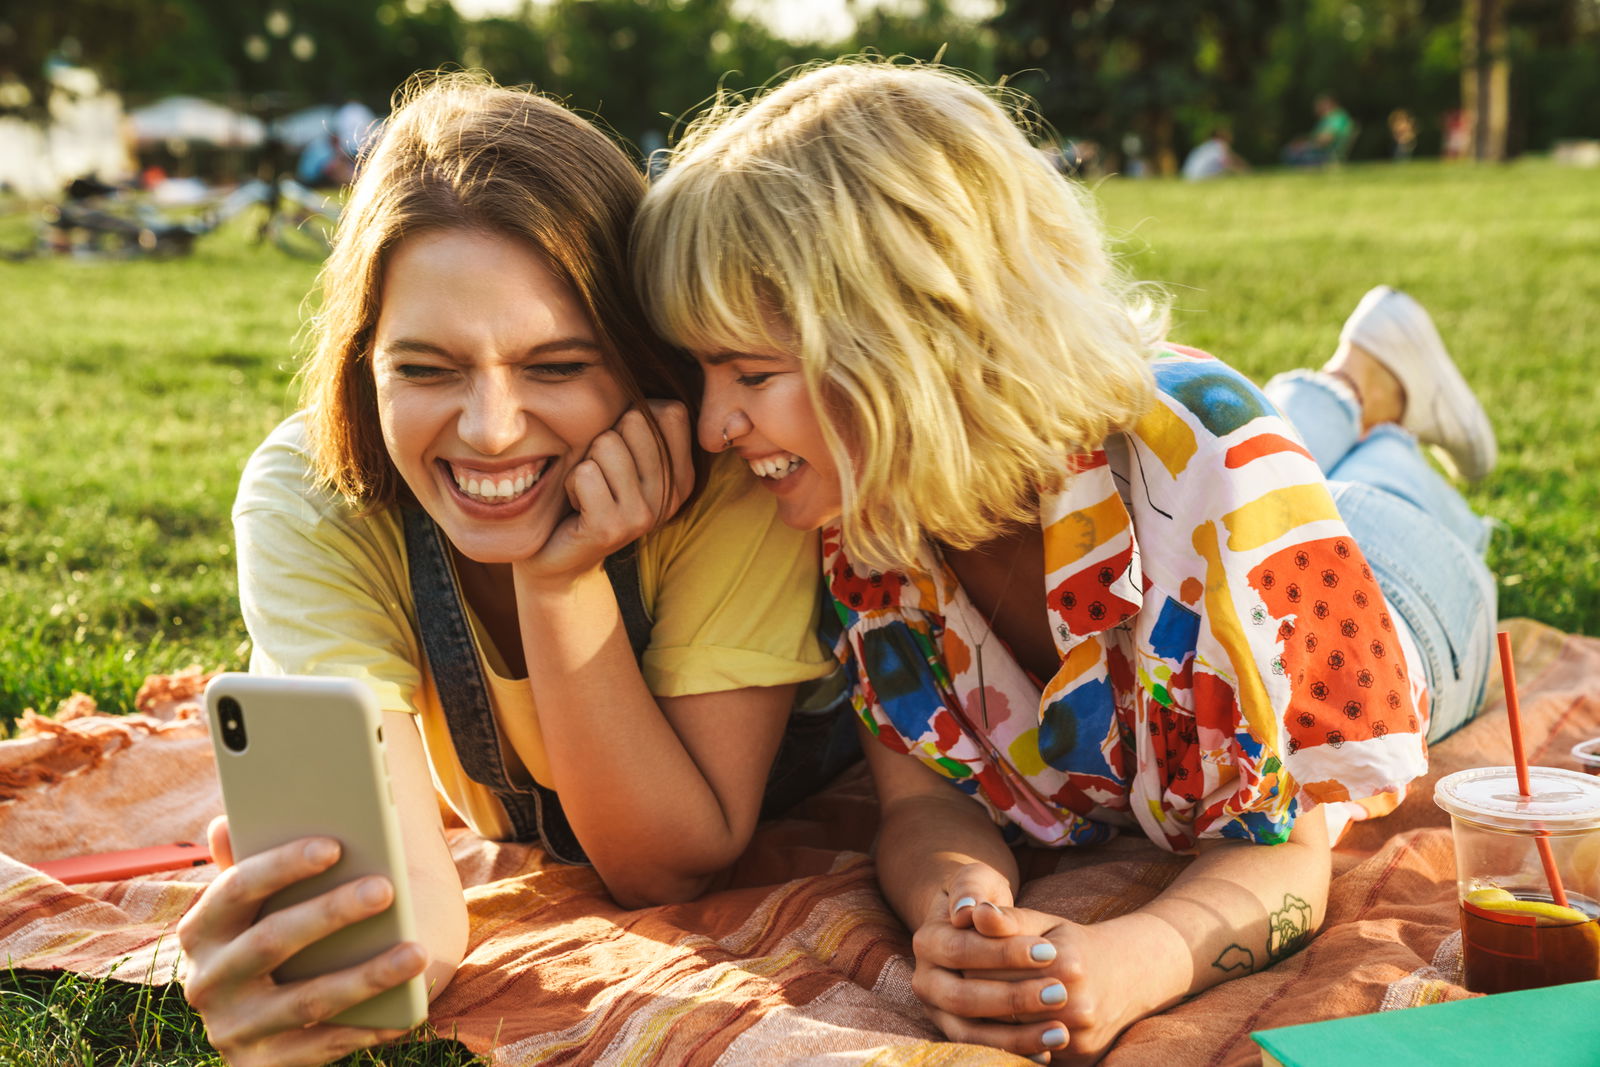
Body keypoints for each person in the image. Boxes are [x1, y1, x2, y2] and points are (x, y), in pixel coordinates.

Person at [632, 60, 1498, 1063]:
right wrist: (962, 905)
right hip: (1187, 498)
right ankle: (1358, 373)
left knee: (1359, 482)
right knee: (1228, 455)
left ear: (918, 340)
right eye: (700, 371)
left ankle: (1372, 396)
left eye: (750, 372)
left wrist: (1148, 952)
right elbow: (923, 800)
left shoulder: (1215, 465)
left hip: (1387, 590)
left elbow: (1291, 849)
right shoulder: (858, 505)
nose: (710, 426)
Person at [176, 73, 850, 1067]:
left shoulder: (728, 479)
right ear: (364, 361)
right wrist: (329, 972)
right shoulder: (310, 494)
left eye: (557, 365)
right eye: (426, 367)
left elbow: (665, 862)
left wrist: (560, 581)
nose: (490, 430)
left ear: (637, 357)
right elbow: (400, 900)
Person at [1283, 93, 1355, 167]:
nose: (1316, 109)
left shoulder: (1336, 118)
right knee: (1290, 151)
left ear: (1328, 104)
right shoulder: (1329, 118)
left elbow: (1326, 139)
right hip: (1323, 151)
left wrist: (1306, 146)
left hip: (1326, 154)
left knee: (1290, 153)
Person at [1181, 127, 1249, 181]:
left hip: (1188, 176)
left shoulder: (1208, 146)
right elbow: (1228, 164)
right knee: (1226, 173)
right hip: (1199, 178)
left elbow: (1232, 158)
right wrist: (1245, 173)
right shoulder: (1219, 146)